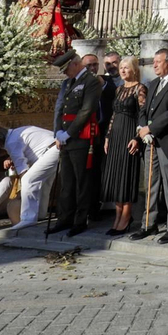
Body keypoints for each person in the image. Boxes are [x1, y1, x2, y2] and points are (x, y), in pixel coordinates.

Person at [135, 48, 168, 242]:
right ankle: (148, 224)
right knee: (150, 183)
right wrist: (143, 127)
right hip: (150, 141)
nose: (155, 65)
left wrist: (151, 129)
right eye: (154, 62)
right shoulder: (154, 83)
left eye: (158, 62)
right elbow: (145, 109)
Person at [53, 50, 103, 236]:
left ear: (75, 64)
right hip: (65, 137)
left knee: (82, 182)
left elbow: (86, 110)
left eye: (67, 69)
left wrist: (69, 133)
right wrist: (57, 131)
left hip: (81, 137)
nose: (65, 73)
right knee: (67, 182)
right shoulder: (68, 83)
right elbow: (60, 108)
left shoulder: (91, 81)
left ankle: (80, 220)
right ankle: (64, 218)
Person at [0, 124, 59, 230]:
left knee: (28, 180)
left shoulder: (11, 142)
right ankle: (40, 214)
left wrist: (24, 185)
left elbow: (22, 168)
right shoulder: (16, 133)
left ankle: (28, 219)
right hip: (54, 148)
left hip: (52, 150)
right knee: (44, 183)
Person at [102, 57, 147, 235]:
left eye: (126, 68)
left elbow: (142, 115)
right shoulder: (119, 89)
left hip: (129, 135)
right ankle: (118, 214)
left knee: (126, 176)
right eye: (121, 67)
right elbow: (114, 114)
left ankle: (126, 216)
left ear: (134, 69)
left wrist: (137, 137)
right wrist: (108, 136)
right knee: (115, 175)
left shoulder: (140, 89)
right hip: (116, 137)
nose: (122, 70)